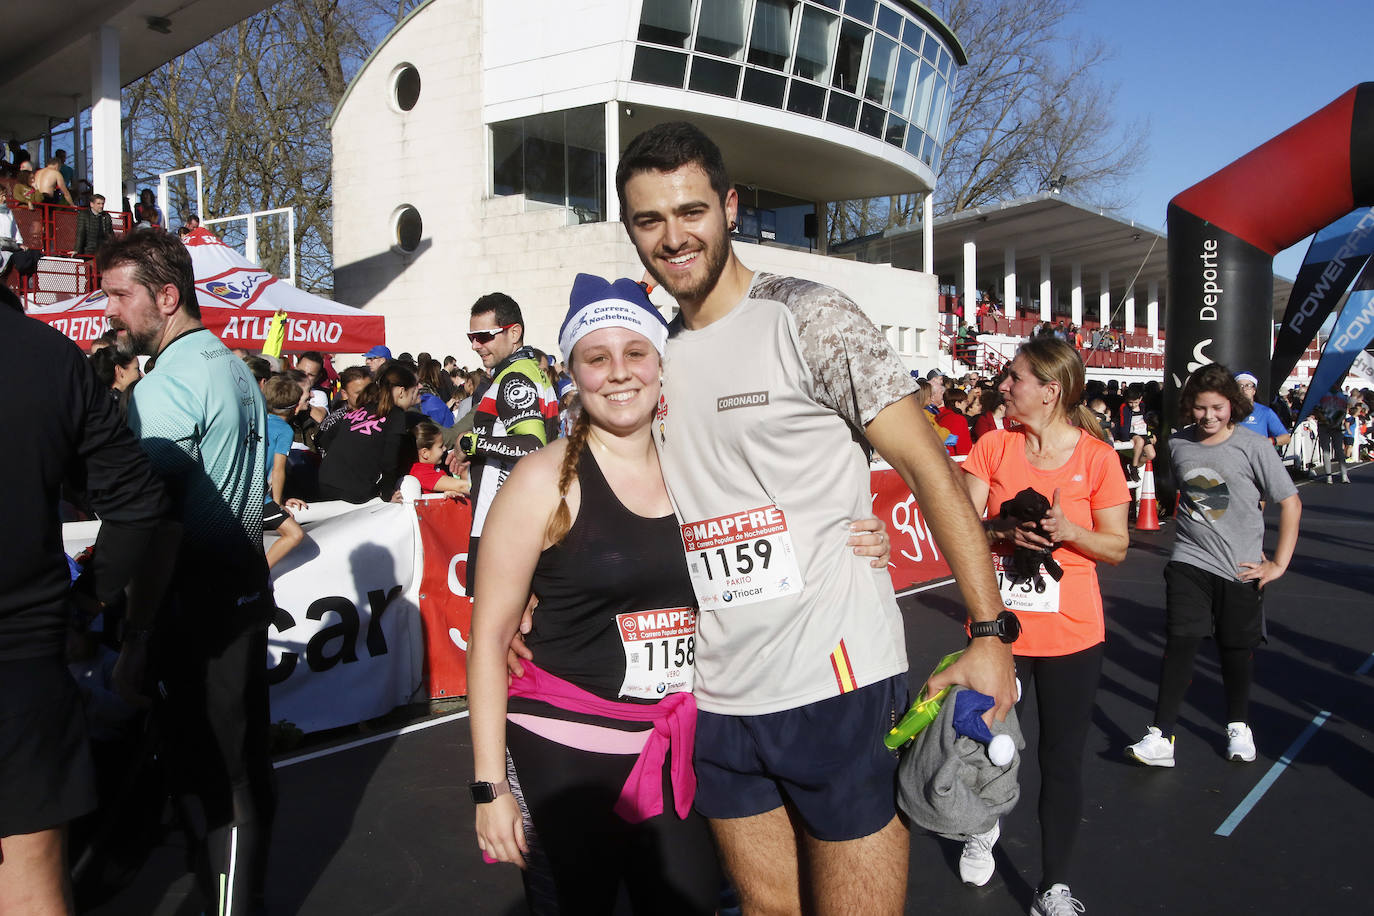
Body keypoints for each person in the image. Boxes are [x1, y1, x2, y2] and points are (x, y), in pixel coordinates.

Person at [613, 120, 1014, 914]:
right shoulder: (649, 355)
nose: (673, 236)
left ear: (730, 207)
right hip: (719, 694)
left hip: (835, 681)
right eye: (649, 220)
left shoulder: (810, 317)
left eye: (690, 211)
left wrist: (989, 632)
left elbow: (928, 469)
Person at [473, 275, 892, 912]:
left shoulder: (700, 466)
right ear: (572, 373)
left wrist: (858, 537)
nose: (618, 373)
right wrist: (488, 786)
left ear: (660, 365)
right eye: (596, 357)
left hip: (675, 742)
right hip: (565, 743)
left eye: (635, 353)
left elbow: (780, 533)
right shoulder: (542, 479)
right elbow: (489, 637)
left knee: (691, 901)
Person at [97, 229, 276, 915]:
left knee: (215, 785)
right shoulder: (229, 364)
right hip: (235, 596)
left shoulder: (167, 383)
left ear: (167, 296)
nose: (109, 310)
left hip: (197, 610)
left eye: (120, 294)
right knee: (238, 777)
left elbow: (158, 522)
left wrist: (137, 637)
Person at [0, 283, 166, 916]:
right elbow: (139, 501)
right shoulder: (48, 355)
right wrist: (86, 603)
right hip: (24, 655)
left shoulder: (48, 356)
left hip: (25, 646)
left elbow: (136, 499)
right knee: (32, 875)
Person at [957, 337, 1130, 915]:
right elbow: (962, 529)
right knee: (986, 744)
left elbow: (1117, 546)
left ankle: (1053, 884)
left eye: (1015, 379)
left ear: (1051, 391)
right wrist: (1003, 528)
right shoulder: (992, 446)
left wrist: (1069, 532)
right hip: (998, 628)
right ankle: (982, 829)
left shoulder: (1098, 459)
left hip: (1072, 633)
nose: (1003, 387)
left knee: (1060, 757)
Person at [1127, 364, 1301, 769]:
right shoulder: (1178, 443)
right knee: (1181, 641)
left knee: (1235, 651)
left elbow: (1290, 502)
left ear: (1233, 406)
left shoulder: (1254, 446)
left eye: (1218, 408)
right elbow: (1182, 491)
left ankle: (1238, 726)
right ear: (1190, 406)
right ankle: (1161, 735)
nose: (1209, 416)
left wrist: (1278, 563)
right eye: (1201, 408)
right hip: (1190, 559)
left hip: (1241, 567)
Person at [459, 292, 560, 594]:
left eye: (483, 336)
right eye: (471, 337)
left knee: (490, 630)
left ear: (514, 332)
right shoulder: (528, 371)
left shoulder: (515, 378)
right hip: (521, 515)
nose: (476, 345)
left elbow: (532, 446)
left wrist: (472, 443)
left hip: (502, 521)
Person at [316, 362, 419, 503]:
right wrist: (387, 494)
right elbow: (389, 461)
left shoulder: (362, 408)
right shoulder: (396, 415)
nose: (416, 398)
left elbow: (326, 439)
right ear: (401, 392)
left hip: (324, 481)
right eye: (414, 393)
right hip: (354, 490)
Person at [261, 375, 309, 570]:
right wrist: (278, 503)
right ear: (295, 408)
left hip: (238, 492)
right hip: (257, 498)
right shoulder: (284, 430)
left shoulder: (255, 419)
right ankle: (260, 573)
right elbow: (278, 469)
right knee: (295, 534)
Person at [408, 420, 470, 497]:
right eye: (440, 446)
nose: (444, 449)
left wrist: (463, 467)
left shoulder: (434, 468)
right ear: (425, 453)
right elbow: (462, 486)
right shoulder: (421, 473)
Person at [1234, 371, 1290, 449]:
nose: (1244, 389)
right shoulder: (1228, 411)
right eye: (1240, 386)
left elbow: (1286, 437)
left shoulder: (1265, 412)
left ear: (1254, 390)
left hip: (1257, 457)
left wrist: (1268, 441)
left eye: (1248, 386)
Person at [1314, 382, 1350, 484]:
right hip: (1334, 425)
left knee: (1327, 450)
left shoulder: (1322, 395)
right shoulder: (1342, 396)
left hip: (1325, 424)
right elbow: (1343, 412)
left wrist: (1325, 420)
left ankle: (1331, 476)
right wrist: (1336, 422)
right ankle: (1342, 475)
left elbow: (1317, 410)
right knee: (1337, 450)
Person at [936, 388, 974, 456]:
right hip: (954, 459)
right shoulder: (958, 419)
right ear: (957, 404)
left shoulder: (938, 417)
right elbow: (964, 449)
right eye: (965, 402)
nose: (967, 405)